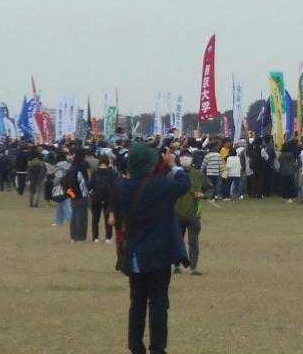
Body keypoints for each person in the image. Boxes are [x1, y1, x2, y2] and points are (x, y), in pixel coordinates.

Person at [116, 142, 191, 354]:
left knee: (137, 302)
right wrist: (173, 165)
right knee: (158, 302)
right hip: (158, 253)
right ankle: (157, 348)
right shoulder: (160, 185)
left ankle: (135, 345)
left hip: (133, 253)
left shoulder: (122, 187)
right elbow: (184, 184)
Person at [175, 151, 212, 275]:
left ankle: (193, 267)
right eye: (183, 157)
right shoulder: (174, 174)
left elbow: (210, 188)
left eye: (187, 157)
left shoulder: (198, 175)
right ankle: (176, 265)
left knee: (193, 241)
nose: (185, 159)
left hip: (193, 214)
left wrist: (203, 195)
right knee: (177, 241)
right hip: (176, 213)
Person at [89, 154, 117, 242]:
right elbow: (115, 186)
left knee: (95, 218)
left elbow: (90, 185)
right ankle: (108, 237)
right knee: (108, 217)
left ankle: (95, 237)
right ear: (108, 162)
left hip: (96, 197)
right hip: (108, 197)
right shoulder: (112, 173)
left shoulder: (95, 172)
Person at [65, 148, 90, 242]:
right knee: (82, 216)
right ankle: (80, 236)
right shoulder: (82, 166)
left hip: (72, 193)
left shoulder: (72, 166)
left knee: (74, 214)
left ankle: (73, 235)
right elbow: (85, 181)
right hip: (81, 193)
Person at [52, 151, 72, 226]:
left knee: (65, 203)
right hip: (69, 186)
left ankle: (71, 220)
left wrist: (54, 184)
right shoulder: (69, 165)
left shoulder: (59, 166)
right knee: (61, 204)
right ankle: (59, 221)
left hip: (61, 187)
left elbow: (58, 177)